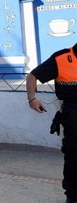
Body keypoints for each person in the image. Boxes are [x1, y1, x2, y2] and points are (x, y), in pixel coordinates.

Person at [26, 42, 77, 203]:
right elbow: (32, 76)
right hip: (73, 113)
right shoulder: (61, 58)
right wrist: (32, 99)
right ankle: (73, 196)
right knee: (74, 155)